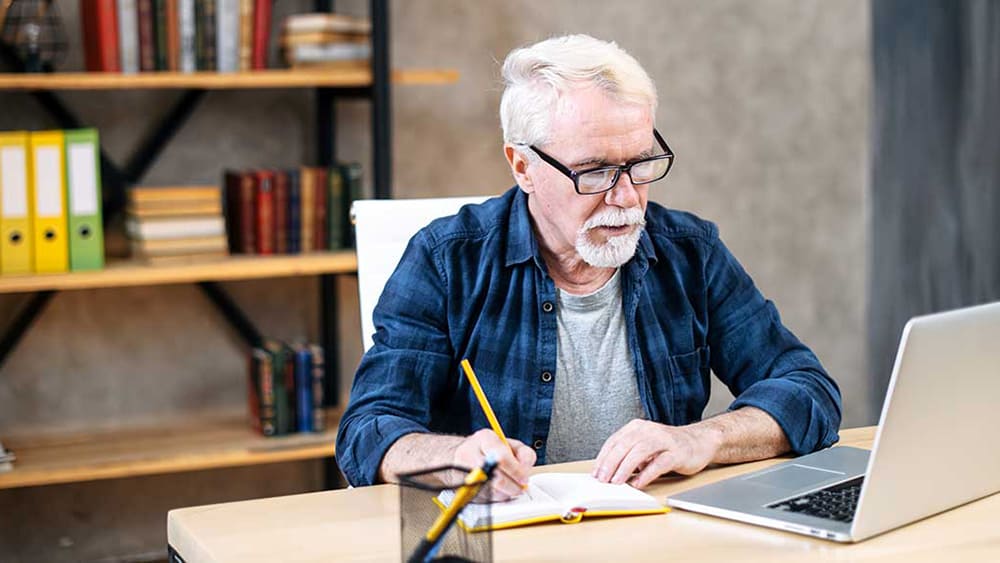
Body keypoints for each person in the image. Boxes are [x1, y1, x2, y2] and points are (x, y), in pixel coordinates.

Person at [336, 34, 841, 499]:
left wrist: (702, 439)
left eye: (641, 164)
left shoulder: (690, 252)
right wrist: (453, 458)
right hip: (513, 541)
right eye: (596, 171)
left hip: (658, 537)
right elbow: (368, 431)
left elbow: (808, 389)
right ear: (522, 166)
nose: (626, 197)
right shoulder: (447, 260)